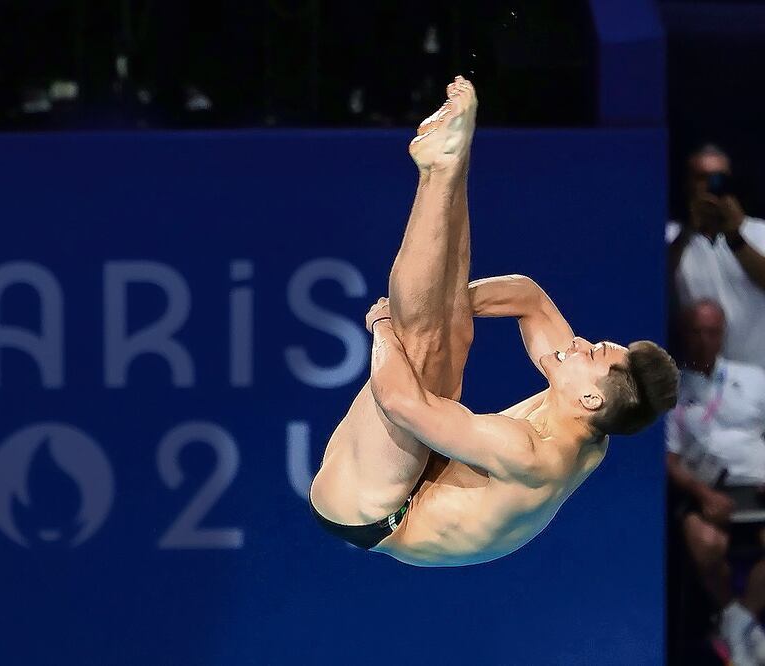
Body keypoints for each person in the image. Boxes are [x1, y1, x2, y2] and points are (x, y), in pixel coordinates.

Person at [308, 76, 679, 567]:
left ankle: (436, 172)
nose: (583, 342)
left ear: (591, 396)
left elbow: (397, 399)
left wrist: (383, 326)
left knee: (422, 347)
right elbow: (528, 298)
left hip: (375, 511)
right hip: (427, 469)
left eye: (592, 352)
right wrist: (442, 301)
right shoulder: (593, 418)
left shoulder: (529, 453)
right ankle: (452, 162)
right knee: (448, 330)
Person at [667, 299, 765, 666]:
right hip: (704, 491)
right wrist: (702, 494)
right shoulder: (672, 386)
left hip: (755, 487)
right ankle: (740, 624)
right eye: (696, 331)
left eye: (711, 331)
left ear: (723, 334)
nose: (704, 339)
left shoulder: (754, 378)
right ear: (683, 334)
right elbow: (670, 460)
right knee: (706, 542)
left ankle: (737, 623)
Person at [667, 145, 765, 368]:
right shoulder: (672, 237)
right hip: (695, 378)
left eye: (719, 178)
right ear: (687, 184)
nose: (710, 186)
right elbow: (656, 284)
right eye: (701, 178)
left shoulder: (760, 232)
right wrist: (690, 230)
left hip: (756, 374)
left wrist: (734, 236)